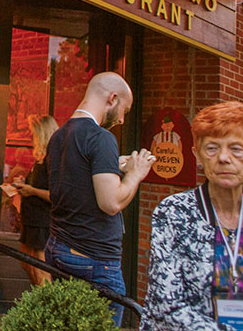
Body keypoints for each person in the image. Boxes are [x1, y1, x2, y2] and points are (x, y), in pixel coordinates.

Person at [142, 101, 243, 331]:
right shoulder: (174, 213)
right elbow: (165, 307)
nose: (224, 158)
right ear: (197, 156)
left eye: (236, 148)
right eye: (212, 148)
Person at [44, 71, 155, 327]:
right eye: (123, 110)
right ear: (112, 98)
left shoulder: (58, 136)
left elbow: (76, 176)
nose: (122, 119)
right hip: (94, 259)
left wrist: (113, 165)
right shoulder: (102, 137)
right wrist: (135, 175)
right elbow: (111, 202)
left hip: (59, 247)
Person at [13, 114, 58, 285]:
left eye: (33, 133)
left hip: (42, 222)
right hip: (30, 219)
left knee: (40, 267)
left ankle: (45, 306)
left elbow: (54, 195)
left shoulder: (52, 160)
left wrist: (31, 190)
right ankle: (37, 303)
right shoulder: (39, 159)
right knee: (26, 263)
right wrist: (24, 184)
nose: (31, 137)